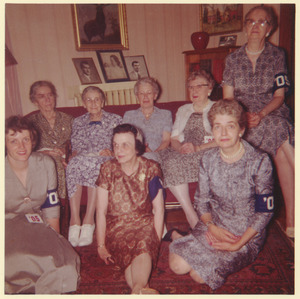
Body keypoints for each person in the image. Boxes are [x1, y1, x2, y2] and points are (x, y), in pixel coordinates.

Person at [169, 99, 274, 290]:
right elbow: (201, 201)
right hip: (215, 224)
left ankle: (184, 238)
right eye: (217, 127)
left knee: (199, 275)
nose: (223, 133)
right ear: (212, 131)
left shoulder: (259, 161)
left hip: (245, 233)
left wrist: (238, 244)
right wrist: (211, 226)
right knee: (177, 266)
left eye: (230, 126)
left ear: (241, 129)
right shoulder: (208, 159)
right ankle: (182, 237)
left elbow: (264, 212)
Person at [222, 5, 294, 238]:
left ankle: (292, 219)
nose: (255, 26)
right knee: (283, 146)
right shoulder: (232, 59)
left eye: (262, 22)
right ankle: (293, 219)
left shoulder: (277, 55)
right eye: (251, 21)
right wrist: (243, 117)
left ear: (269, 28)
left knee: (278, 126)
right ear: (245, 26)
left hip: (271, 111)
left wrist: (261, 114)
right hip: (241, 115)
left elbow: (280, 96)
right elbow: (228, 99)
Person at [5, 115, 80, 294]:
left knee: (65, 263)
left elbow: (51, 207)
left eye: (25, 139)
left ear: (33, 140)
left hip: (36, 223)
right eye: (13, 141)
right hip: (6, 226)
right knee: (14, 261)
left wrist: (56, 241)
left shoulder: (46, 163)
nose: (21, 146)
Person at [96, 124, 165, 294]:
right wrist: (101, 245)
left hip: (144, 222)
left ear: (137, 147)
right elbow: (100, 211)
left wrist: (155, 240)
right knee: (126, 255)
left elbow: (159, 209)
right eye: (115, 145)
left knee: (143, 245)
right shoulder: (107, 169)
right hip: (116, 226)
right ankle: (141, 290)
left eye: (125, 144)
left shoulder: (151, 168)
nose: (119, 150)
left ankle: (137, 290)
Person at [160, 70, 217, 233]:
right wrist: (181, 148)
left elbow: (222, 138)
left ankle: (196, 218)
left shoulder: (217, 107)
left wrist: (197, 148)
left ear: (210, 89)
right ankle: (191, 215)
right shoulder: (183, 109)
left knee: (176, 162)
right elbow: (174, 138)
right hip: (185, 149)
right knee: (168, 161)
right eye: (191, 87)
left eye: (199, 86)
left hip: (207, 149)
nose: (194, 91)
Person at [66, 86, 122, 247]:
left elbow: (123, 142)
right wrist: (73, 156)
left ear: (102, 101)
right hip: (84, 157)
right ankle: (74, 219)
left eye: (96, 99)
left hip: (106, 158)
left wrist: (112, 151)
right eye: (89, 100)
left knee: (96, 165)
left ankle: (89, 218)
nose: (93, 103)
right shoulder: (78, 122)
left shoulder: (115, 119)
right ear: (83, 103)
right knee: (73, 164)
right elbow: (76, 146)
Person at [27, 80, 73, 199]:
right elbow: (24, 148)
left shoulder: (69, 119)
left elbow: (78, 142)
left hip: (65, 158)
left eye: (50, 95)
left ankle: (56, 204)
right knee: (50, 163)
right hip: (40, 160)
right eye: (41, 96)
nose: (47, 100)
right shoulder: (29, 123)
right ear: (34, 101)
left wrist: (67, 152)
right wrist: (44, 153)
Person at [123, 77, 173, 163]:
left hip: (160, 154)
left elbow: (166, 140)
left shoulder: (165, 114)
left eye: (149, 93)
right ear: (137, 96)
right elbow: (125, 140)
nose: (145, 97)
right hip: (135, 154)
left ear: (155, 95)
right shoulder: (129, 115)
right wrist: (141, 149)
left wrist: (154, 154)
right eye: (141, 93)